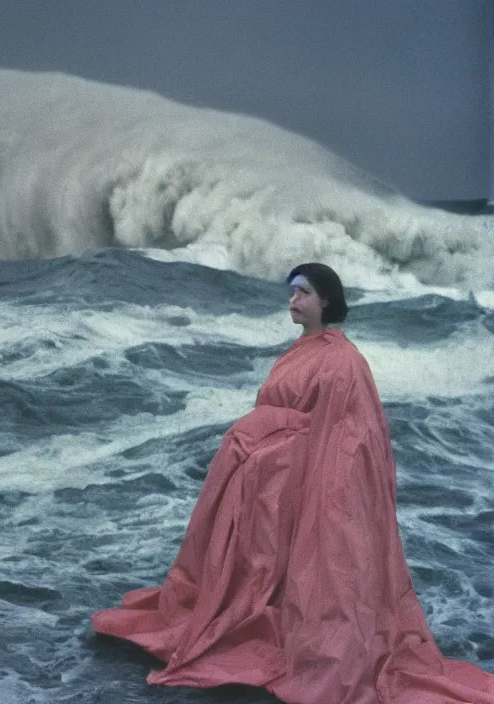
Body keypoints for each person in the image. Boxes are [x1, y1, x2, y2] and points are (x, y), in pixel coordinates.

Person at [91, 262, 494, 704]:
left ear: (325, 300)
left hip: (295, 478)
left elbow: (350, 439)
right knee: (260, 578)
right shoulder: (301, 349)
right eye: (291, 293)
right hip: (268, 480)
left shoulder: (344, 361)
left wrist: (282, 456)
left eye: (302, 293)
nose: (293, 301)